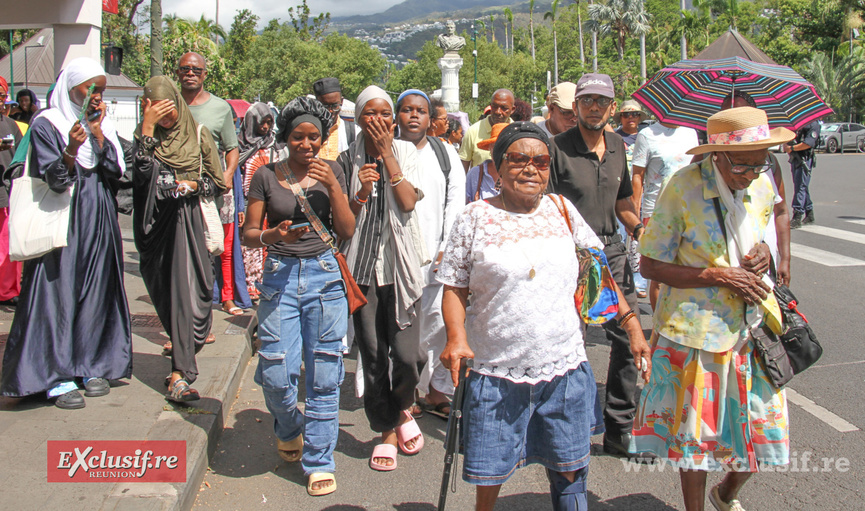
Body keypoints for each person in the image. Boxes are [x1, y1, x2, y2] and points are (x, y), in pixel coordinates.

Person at [438, 122, 651, 511]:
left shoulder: (562, 210)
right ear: (497, 168)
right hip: (496, 373)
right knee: (490, 476)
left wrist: (632, 325)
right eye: (518, 159)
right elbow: (453, 287)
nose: (530, 168)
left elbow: (598, 275)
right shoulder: (474, 218)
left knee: (570, 471)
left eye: (540, 160)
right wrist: (456, 337)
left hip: (564, 369)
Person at [633, 107, 794, 511]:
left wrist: (764, 255)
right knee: (696, 438)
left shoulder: (759, 183)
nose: (751, 173)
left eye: (760, 164)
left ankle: (726, 493)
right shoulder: (683, 187)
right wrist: (719, 277)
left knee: (763, 430)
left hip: (752, 327)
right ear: (717, 154)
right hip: (696, 333)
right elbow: (650, 265)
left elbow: (764, 234)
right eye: (743, 164)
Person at [0, 58, 131, 409]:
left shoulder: (101, 123)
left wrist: (98, 132)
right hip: (63, 216)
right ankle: (55, 375)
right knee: (56, 292)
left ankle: (93, 364)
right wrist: (72, 149)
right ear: (71, 86)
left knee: (96, 288)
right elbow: (54, 180)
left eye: (101, 89)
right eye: (91, 87)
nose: (97, 95)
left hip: (98, 216)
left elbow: (116, 172)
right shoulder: (48, 123)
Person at [242, 96, 354, 496]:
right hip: (280, 279)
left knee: (324, 374)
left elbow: (347, 229)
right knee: (276, 372)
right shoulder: (266, 176)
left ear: (323, 138)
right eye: (298, 137)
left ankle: (320, 459)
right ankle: (289, 425)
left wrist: (334, 187)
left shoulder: (335, 169)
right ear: (286, 139)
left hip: (325, 278)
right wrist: (276, 235)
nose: (307, 145)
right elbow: (249, 234)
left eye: (314, 137)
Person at [548, 73, 649, 460]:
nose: (593, 107)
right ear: (575, 107)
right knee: (568, 343)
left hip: (614, 253)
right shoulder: (556, 148)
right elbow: (549, 207)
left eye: (600, 101)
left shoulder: (621, 147)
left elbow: (624, 204)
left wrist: (640, 229)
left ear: (612, 107)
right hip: (570, 255)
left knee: (627, 339)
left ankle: (619, 431)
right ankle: (563, 429)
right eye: (586, 100)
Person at [336, 85, 428, 471]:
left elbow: (407, 201)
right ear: (357, 120)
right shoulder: (345, 160)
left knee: (408, 356)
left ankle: (404, 406)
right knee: (373, 356)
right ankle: (386, 429)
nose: (378, 121)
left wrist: (389, 156)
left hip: (401, 267)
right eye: (369, 114)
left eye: (384, 114)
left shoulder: (407, 150)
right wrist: (361, 191)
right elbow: (343, 223)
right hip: (363, 271)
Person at [132, 76, 228, 403]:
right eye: (158, 110)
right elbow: (140, 176)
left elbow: (218, 183)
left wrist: (194, 186)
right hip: (155, 226)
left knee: (195, 296)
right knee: (173, 296)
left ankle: (183, 361)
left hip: (188, 221)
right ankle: (180, 374)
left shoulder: (198, 134)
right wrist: (147, 128)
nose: (167, 117)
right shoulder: (146, 137)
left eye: (170, 109)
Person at [395, 89, 466, 419]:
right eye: (406, 110)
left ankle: (437, 390)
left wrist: (447, 247)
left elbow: (455, 202)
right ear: (396, 115)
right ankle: (405, 391)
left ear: (430, 118)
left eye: (420, 111)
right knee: (403, 328)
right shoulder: (387, 151)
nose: (413, 116)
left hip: (437, 256)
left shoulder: (445, 153)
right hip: (396, 255)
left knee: (438, 325)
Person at [175, 52, 250, 319]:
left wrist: (228, 176)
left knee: (218, 248)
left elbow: (232, 149)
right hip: (176, 192)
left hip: (214, 192)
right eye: (185, 69)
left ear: (205, 74)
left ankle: (222, 300)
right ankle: (187, 315)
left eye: (196, 69)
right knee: (182, 256)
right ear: (178, 73)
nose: (191, 73)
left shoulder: (220, 108)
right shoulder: (168, 104)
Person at [720, 91, 791, 286]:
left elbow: (782, 211)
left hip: (763, 261)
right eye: (727, 114)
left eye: (757, 167)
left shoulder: (771, 163)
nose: (750, 175)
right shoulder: (704, 165)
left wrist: (784, 259)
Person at [631, 116, 699, 309]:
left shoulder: (691, 133)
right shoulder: (646, 135)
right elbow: (637, 176)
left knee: (685, 268)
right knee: (659, 274)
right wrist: (635, 215)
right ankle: (657, 329)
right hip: (656, 211)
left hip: (690, 210)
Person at [237, 102, 276, 300]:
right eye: (262, 122)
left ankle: (264, 284)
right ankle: (248, 287)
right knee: (248, 247)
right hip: (246, 203)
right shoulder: (239, 146)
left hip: (270, 202)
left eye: (270, 122)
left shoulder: (273, 144)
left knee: (267, 245)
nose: (266, 127)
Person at [613, 100, 648, 298]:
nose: (631, 118)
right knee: (621, 237)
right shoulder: (615, 138)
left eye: (635, 114)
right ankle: (619, 278)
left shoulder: (645, 138)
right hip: (619, 193)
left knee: (639, 240)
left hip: (641, 192)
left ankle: (639, 282)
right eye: (627, 115)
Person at [0, 78, 23, 306]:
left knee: (7, 245)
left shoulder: (10, 125)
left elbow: (23, 153)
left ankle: (7, 290)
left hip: (6, 192)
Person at [459, 89, 515, 171]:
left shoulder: (517, 133)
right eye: (495, 106)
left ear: (512, 110)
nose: (498, 112)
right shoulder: (473, 131)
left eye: (504, 108)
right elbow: (463, 168)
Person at [313, 77, 361, 161]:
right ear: (316, 103)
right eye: (325, 107)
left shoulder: (353, 131)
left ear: (341, 102)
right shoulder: (309, 130)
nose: (330, 111)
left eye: (335, 106)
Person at [785, 119, 820, 229]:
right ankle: (809, 212)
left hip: (804, 158)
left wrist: (792, 148)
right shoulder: (797, 123)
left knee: (800, 186)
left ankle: (797, 215)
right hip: (795, 158)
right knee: (801, 185)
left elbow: (808, 144)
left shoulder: (813, 125)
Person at [465, 122, 508, 203]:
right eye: (496, 146)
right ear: (490, 148)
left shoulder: (518, 175)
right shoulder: (475, 174)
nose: (500, 151)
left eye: (504, 146)